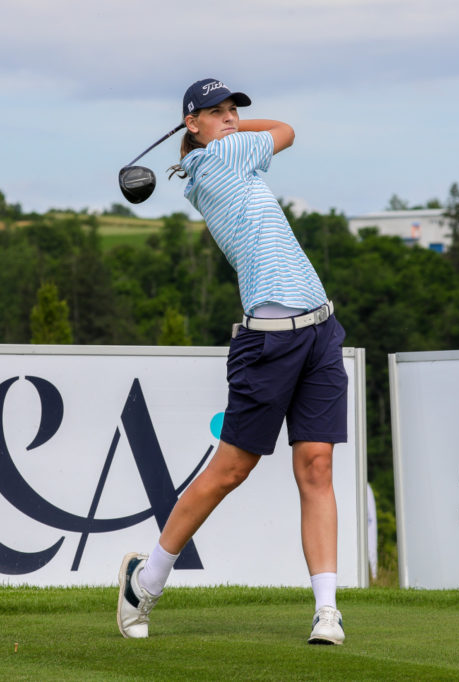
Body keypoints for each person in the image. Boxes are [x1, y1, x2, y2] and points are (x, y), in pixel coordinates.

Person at [116, 78, 348, 646]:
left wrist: (221, 121)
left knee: (316, 465)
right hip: (268, 343)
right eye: (215, 112)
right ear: (191, 125)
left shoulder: (224, 161)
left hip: (319, 328)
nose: (229, 119)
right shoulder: (220, 156)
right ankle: (144, 583)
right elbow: (288, 130)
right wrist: (236, 127)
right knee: (230, 472)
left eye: (232, 111)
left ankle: (327, 611)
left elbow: (260, 135)